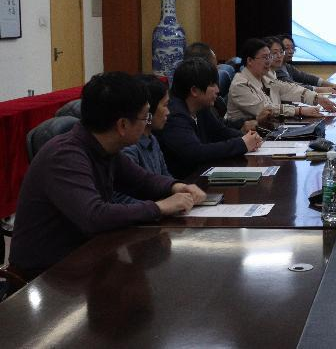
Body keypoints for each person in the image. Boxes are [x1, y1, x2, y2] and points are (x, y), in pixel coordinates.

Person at [9, 72, 206, 280]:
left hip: (86, 260)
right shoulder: (65, 156)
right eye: (145, 117)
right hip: (45, 277)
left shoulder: (103, 147)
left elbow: (141, 180)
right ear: (122, 125)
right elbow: (94, 216)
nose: (147, 123)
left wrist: (176, 187)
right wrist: (159, 207)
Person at [158, 58, 262, 178]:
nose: (218, 90)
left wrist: (251, 138)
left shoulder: (201, 107)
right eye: (212, 85)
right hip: (186, 181)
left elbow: (220, 132)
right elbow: (195, 152)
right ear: (194, 91)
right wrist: (241, 143)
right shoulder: (174, 116)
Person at [225, 38, 336, 125]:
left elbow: (288, 89)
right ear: (250, 60)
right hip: (249, 138)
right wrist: (299, 110)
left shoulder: (264, 78)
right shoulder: (240, 85)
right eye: (265, 57)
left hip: (269, 129)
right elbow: (265, 109)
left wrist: (317, 98)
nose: (268, 61)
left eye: (269, 57)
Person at [113, 75, 173, 204]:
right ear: (147, 112)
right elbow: (119, 198)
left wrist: (180, 189)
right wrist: (159, 207)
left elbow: (165, 178)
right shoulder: (128, 147)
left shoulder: (152, 139)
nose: (168, 112)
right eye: (165, 105)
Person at [264, 36, 336, 94]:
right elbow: (293, 87)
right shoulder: (276, 70)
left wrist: (334, 86)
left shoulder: (287, 67)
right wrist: (325, 90)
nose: (291, 51)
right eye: (287, 48)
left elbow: (307, 78)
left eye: (292, 48)